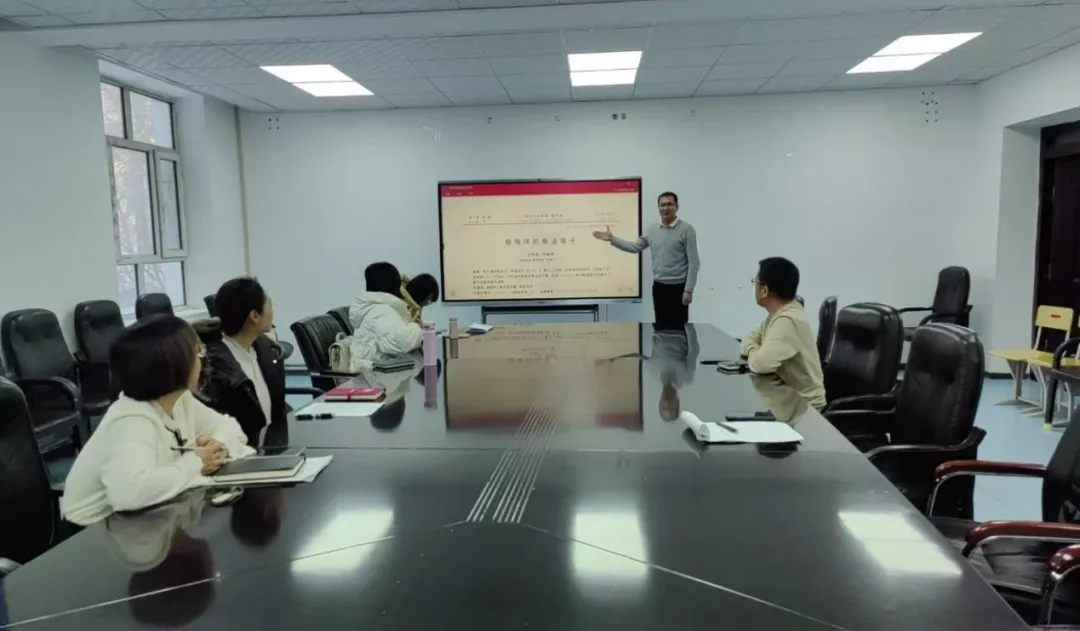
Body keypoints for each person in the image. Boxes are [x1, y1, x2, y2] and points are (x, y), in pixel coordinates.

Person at [61, 316, 253, 526]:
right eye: (197, 351)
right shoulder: (131, 420)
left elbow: (229, 426)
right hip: (95, 530)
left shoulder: (179, 400)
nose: (202, 360)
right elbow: (129, 493)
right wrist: (196, 462)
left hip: (148, 516)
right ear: (172, 365)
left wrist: (219, 446)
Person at [195, 277, 287, 445]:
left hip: (269, 448)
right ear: (255, 316)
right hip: (237, 452)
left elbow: (276, 411)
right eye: (269, 305)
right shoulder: (212, 368)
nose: (273, 312)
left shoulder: (268, 351)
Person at [593, 191, 700, 325]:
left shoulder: (687, 230)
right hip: (659, 287)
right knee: (661, 327)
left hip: (679, 288)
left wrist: (688, 290)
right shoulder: (652, 230)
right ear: (658, 208)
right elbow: (634, 247)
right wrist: (612, 239)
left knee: (679, 329)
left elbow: (694, 262)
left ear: (676, 207)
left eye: (669, 204)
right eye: (662, 205)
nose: (665, 208)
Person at [739, 257, 826, 411]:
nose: (754, 287)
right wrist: (755, 350)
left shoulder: (788, 320)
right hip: (787, 402)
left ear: (764, 290)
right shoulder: (778, 314)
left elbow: (761, 364)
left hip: (806, 410)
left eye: (755, 282)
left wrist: (754, 352)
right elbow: (748, 339)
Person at [348, 261, 424, 371]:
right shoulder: (381, 312)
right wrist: (417, 328)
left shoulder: (380, 308)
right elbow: (401, 343)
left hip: (378, 372)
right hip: (375, 375)